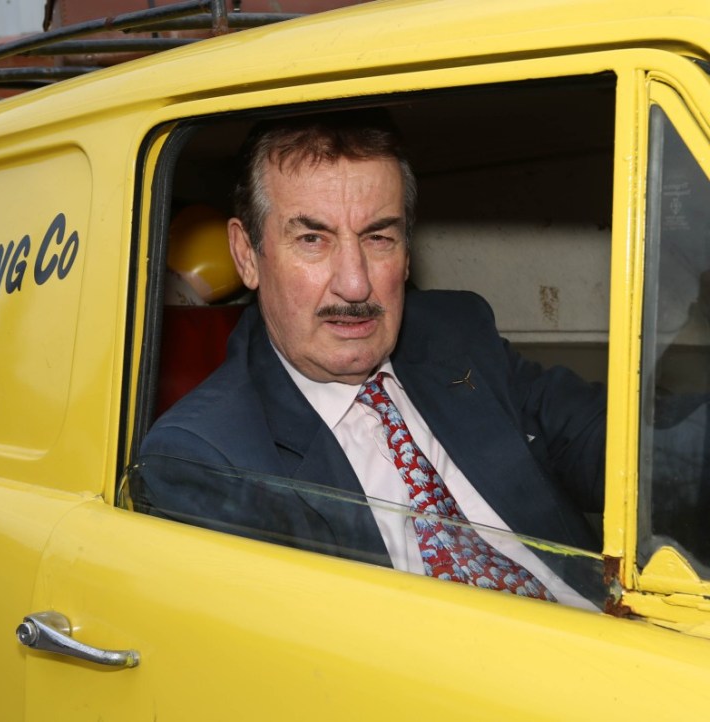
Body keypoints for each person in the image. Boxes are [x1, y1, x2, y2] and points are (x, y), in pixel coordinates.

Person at [136, 109, 606, 605]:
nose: (355, 284)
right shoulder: (207, 459)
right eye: (313, 239)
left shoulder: (455, 334)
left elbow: (611, 440)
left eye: (378, 237)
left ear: (406, 251)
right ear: (248, 254)